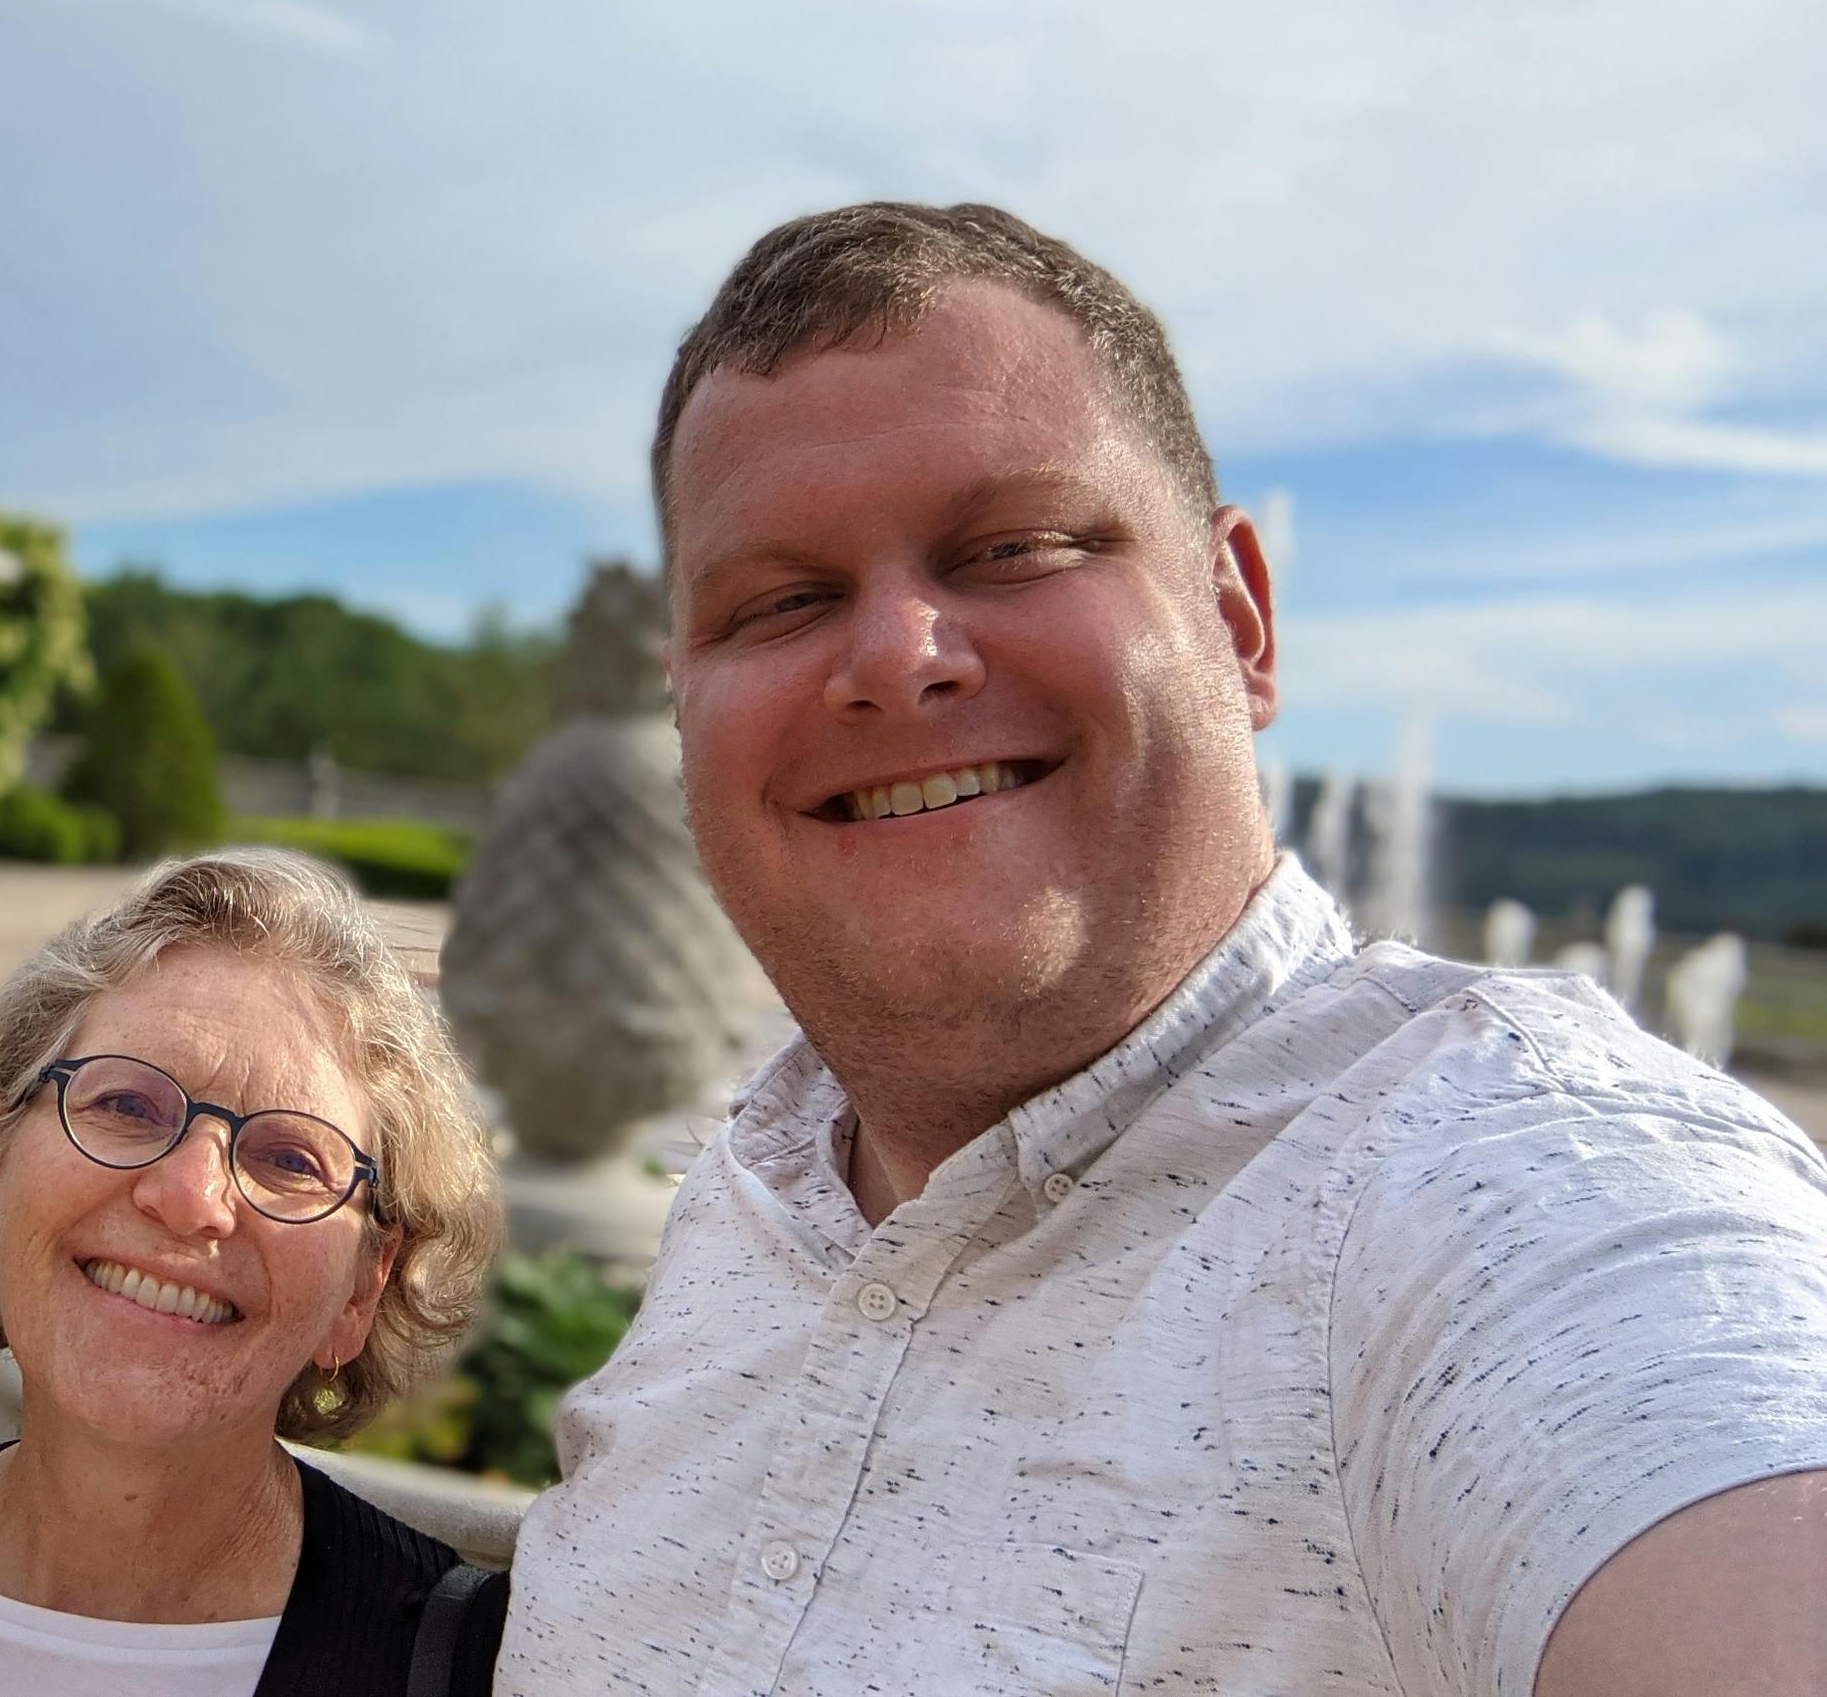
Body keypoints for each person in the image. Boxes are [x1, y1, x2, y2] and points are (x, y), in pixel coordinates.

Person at [498, 202, 1827, 1696]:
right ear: (685, 701)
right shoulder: (754, 1189)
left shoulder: (1510, 1179)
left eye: (1016, 546)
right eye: (783, 603)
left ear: (1239, 616)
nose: (895, 655)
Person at [0, 849, 505, 1696]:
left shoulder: (465, 1667)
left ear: (363, 1288)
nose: (192, 1196)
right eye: (125, 1105)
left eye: (291, 1158)